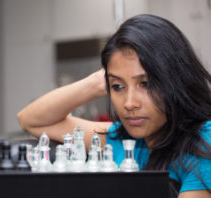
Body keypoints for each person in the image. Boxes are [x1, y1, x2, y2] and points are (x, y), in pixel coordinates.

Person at [17, 14, 211, 197]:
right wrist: (95, 82)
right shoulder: (123, 140)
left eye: (146, 84)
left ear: (176, 80)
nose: (129, 103)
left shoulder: (203, 144)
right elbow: (32, 121)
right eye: (118, 87)